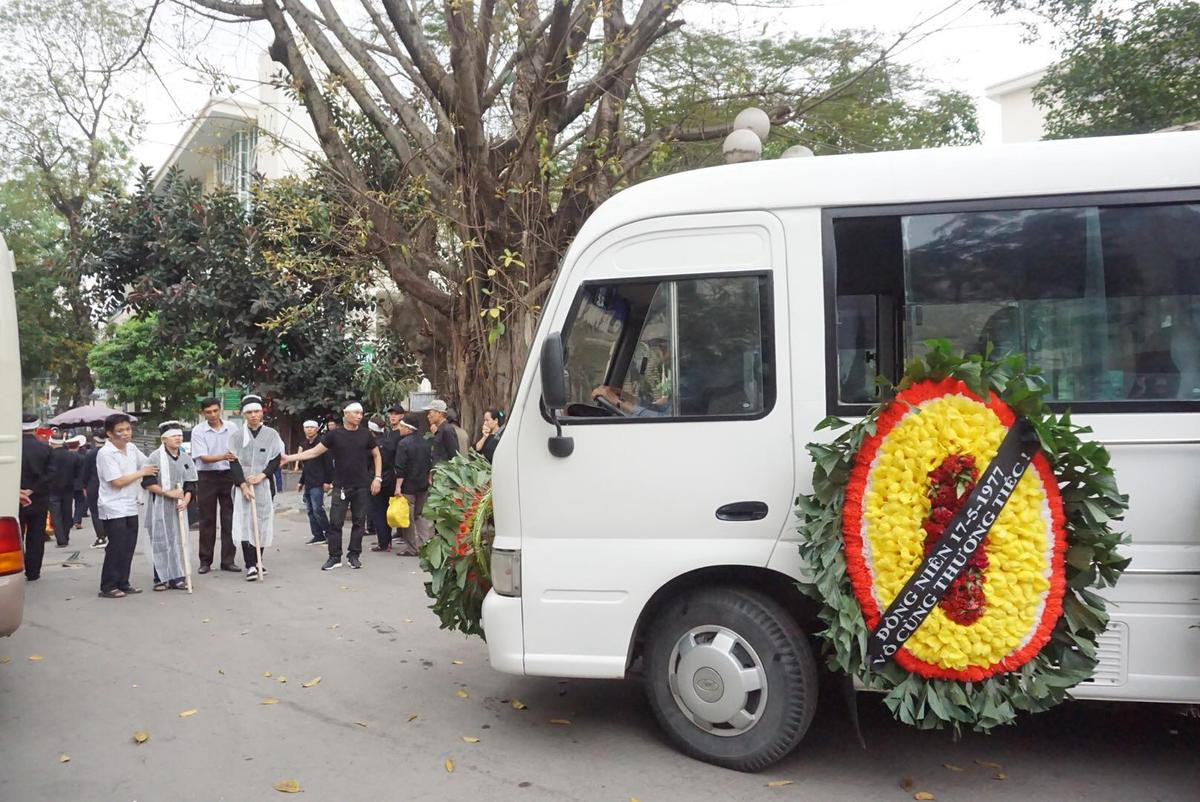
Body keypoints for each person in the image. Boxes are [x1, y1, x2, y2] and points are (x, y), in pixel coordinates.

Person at [282, 401, 381, 571]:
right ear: (346, 414)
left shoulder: (366, 435)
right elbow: (314, 452)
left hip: (362, 485)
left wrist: (377, 478)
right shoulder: (334, 435)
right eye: (356, 413)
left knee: (359, 522)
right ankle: (334, 557)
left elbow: (377, 455)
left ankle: (354, 555)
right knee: (335, 522)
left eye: (361, 413)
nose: (359, 416)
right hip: (340, 486)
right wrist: (289, 458)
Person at [96, 413, 158, 598]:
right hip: (113, 506)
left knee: (129, 546)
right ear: (109, 434)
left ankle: (123, 581)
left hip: (131, 505)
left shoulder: (131, 448)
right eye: (120, 431)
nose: (125, 433)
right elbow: (117, 481)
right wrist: (142, 472)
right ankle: (108, 585)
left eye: (128, 429)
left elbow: (148, 463)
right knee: (116, 546)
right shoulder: (106, 453)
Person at [229, 395, 284, 581]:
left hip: (264, 485)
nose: (253, 415)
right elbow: (233, 462)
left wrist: (262, 475)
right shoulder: (236, 436)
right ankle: (250, 564)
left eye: (256, 411)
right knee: (245, 523)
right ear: (244, 414)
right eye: (249, 412)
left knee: (261, 523)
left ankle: (259, 559)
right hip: (243, 486)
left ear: (262, 412)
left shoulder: (271, 434)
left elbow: (276, 458)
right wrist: (243, 485)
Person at [142, 421, 197, 591]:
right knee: (161, 540)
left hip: (179, 506)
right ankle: (160, 578)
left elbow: (190, 482)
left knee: (178, 541)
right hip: (159, 505)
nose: (178, 438)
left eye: (180, 435)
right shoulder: (155, 458)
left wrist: (186, 499)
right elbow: (148, 483)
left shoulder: (186, 457)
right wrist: (168, 493)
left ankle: (177, 577)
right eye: (174, 436)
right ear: (164, 439)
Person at [190, 397, 240, 574]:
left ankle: (228, 560)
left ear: (220, 409)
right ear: (203, 413)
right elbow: (202, 456)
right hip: (207, 476)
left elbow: (238, 450)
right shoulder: (198, 431)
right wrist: (224, 456)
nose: (212, 415)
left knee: (229, 519)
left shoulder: (232, 427)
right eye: (208, 412)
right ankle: (205, 561)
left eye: (215, 411)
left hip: (228, 475)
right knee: (207, 519)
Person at [19, 414, 55, 581]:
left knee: (15, 535)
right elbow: (51, 474)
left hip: (14, 500)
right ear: (36, 427)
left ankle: (16, 568)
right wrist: (32, 490)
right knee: (36, 536)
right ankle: (33, 572)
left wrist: (18, 491)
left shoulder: (11, 448)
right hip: (38, 499)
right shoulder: (45, 449)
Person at [392, 413, 432, 555]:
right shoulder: (425, 442)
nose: (400, 429)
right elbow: (429, 464)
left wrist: (398, 487)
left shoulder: (403, 444)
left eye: (402, 426)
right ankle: (425, 544)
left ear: (409, 429)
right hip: (423, 485)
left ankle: (412, 548)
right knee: (420, 515)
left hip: (408, 486)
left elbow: (400, 468)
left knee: (407, 518)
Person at [367, 407, 404, 552]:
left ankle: (384, 543)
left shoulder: (373, 444)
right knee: (385, 510)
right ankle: (387, 541)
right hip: (391, 479)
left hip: (377, 480)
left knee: (378, 512)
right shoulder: (390, 440)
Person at [296, 420, 332, 546]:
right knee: (310, 510)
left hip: (319, 481)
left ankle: (329, 533)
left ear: (317, 429)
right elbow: (306, 466)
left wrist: (328, 481)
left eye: (312, 427)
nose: (309, 429)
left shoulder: (322, 444)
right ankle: (318, 535)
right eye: (307, 427)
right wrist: (301, 482)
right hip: (309, 481)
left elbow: (329, 464)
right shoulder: (305, 445)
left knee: (318, 509)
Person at [46, 434, 80, 548]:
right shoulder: (72, 456)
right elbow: (77, 473)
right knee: (67, 512)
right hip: (68, 488)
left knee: (56, 515)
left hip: (52, 488)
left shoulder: (48, 455)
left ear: (51, 442)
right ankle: (66, 535)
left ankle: (61, 539)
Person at [80, 433, 108, 548]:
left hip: (93, 485)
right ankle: (110, 534)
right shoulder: (110, 452)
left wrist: (84, 486)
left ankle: (101, 536)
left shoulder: (90, 454)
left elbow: (85, 472)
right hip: (109, 485)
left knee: (95, 512)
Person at [425, 400, 459, 465]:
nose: (428, 416)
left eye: (430, 413)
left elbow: (454, 455)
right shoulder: (439, 430)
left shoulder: (447, 430)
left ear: (439, 413)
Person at [69, 435, 87, 529]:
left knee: (67, 504)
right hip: (79, 484)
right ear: (77, 446)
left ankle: (68, 521)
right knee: (79, 503)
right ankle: (77, 521)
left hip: (67, 483)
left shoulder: (65, 457)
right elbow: (84, 472)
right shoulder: (82, 458)